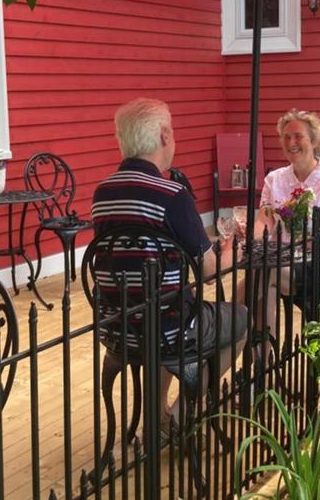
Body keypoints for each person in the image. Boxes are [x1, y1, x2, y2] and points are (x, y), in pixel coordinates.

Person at [91, 97, 248, 432]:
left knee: (165, 300)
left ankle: (157, 414)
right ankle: (180, 412)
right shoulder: (171, 194)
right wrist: (234, 249)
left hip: (117, 326)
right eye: (172, 130)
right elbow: (210, 272)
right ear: (164, 135)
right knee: (240, 318)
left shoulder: (102, 193)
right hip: (169, 329)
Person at [249, 109, 320, 324]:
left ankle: (235, 330)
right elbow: (263, 221)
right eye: (286, 137)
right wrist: (256, 241)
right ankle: (262, 344)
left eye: (298, 136)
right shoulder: (274, 179)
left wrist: (282, 251)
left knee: (263, 275)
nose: (291, 143)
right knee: (258, 276)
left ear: (314, 140)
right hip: (280, 259)